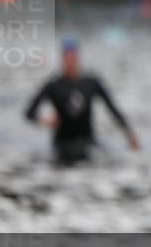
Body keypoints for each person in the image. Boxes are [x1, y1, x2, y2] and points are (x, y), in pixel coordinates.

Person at [26, 37, 139, 165]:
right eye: (67, 57)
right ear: (63, 59)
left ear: (78, 58)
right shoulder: (54, 85)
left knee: (103, 158)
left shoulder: (91, 83)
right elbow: (29, 113)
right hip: (63, 143)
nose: (71, 61)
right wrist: (46, 121)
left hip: (87, 141)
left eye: (73, 57)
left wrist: (129, 134)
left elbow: (112, 109)